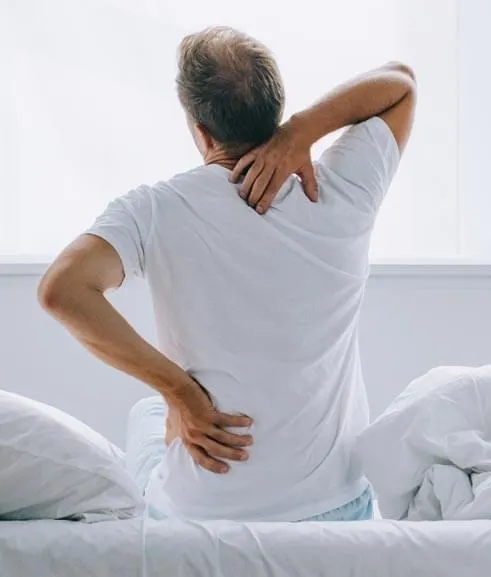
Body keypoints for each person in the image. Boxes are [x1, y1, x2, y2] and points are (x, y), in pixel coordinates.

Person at [38, 26, 416, 522]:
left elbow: (62, 290)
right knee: (151, 415)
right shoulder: (343, 188)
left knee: (148, 414)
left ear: (202, 131)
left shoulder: (156, 209)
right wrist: (301, 132)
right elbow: (400, 82)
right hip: (336, 507)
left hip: (203, 514)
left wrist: (180, 394)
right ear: (275, 113)